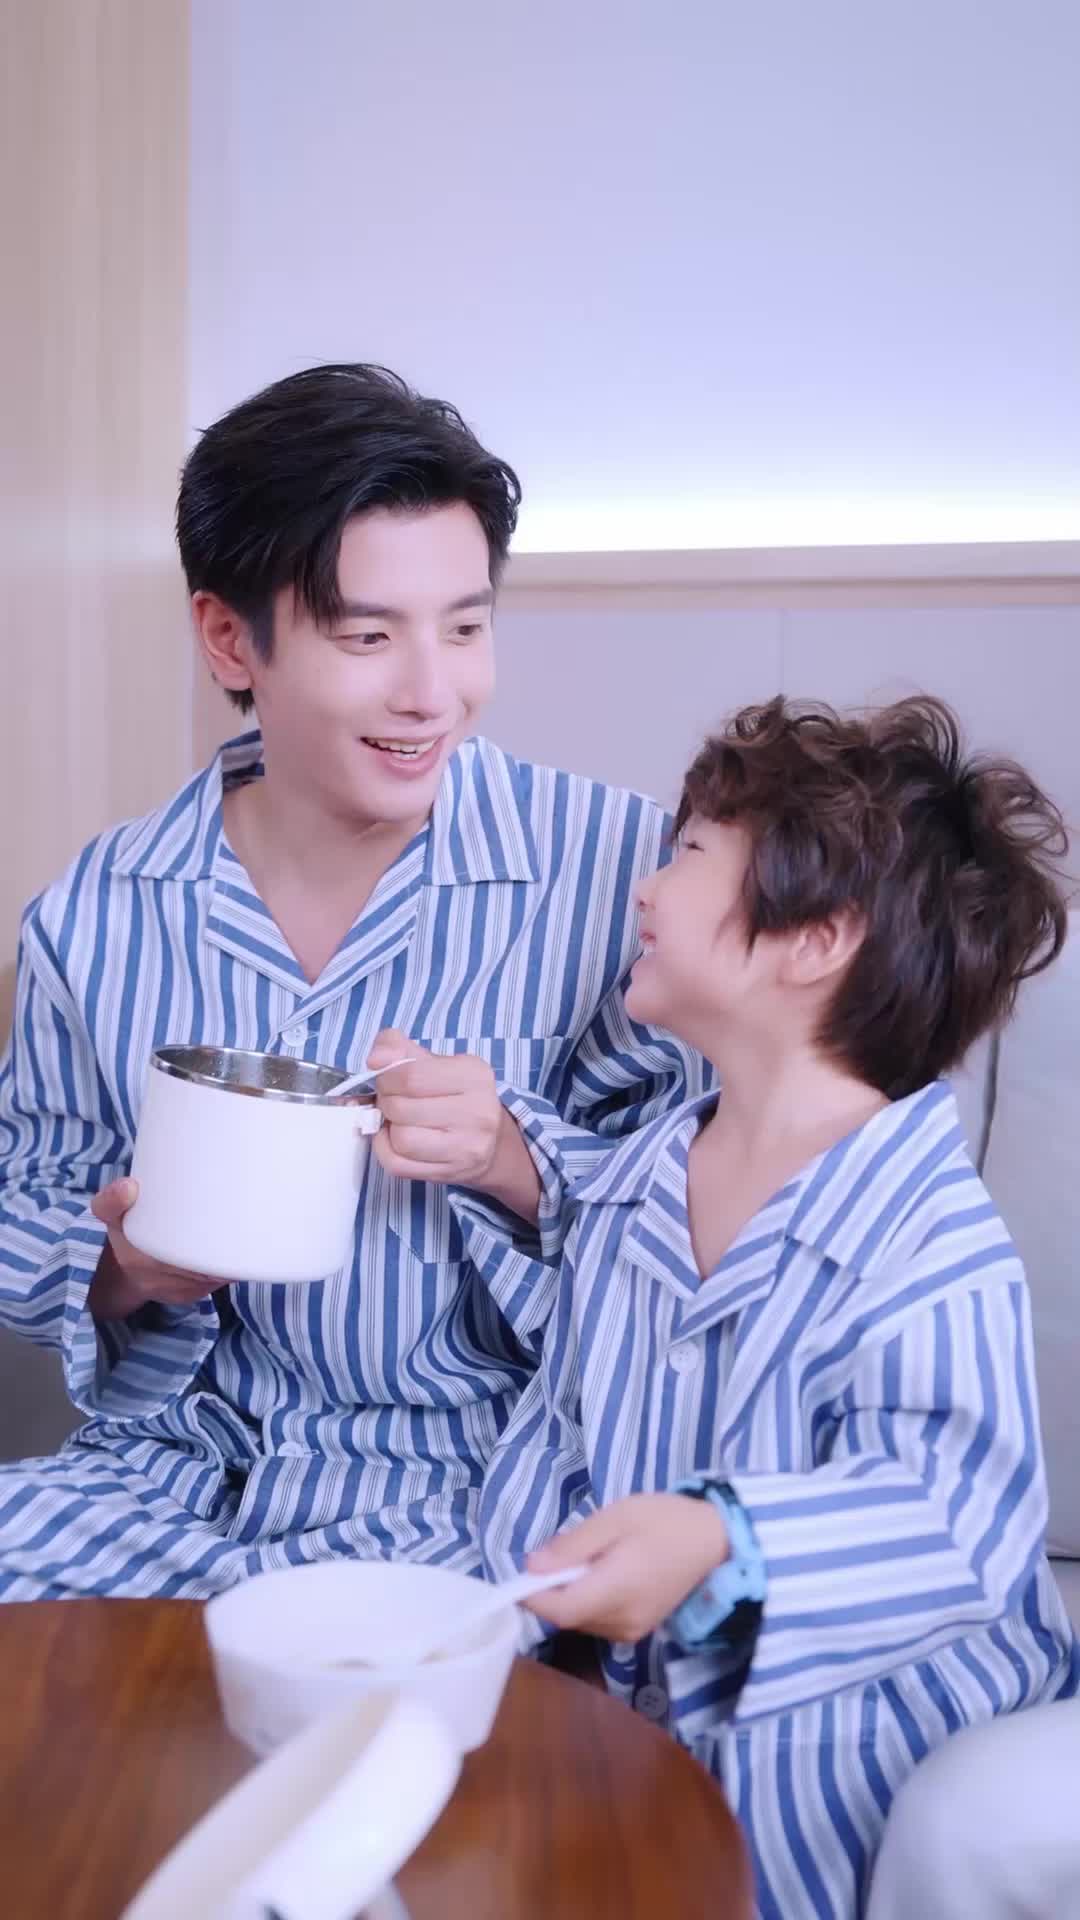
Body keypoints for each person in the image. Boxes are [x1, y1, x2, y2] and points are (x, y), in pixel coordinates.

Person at [0, 363, 704, 1599]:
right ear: (231, 637)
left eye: (466, 628)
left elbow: (721, 1225)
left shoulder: (624, 877)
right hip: (162, 1478)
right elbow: (28, 1200)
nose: (432, 694)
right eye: (368, 636)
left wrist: (512, 1158)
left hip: (478, 1491)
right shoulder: (97, 911)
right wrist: (127, 1268)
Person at [476, 695, 1080, 1920]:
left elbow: (957, 1517)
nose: (645, 889)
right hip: (635, 1725)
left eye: (689, 853)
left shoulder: (929, 1237)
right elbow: (558, 1434)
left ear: (815, 939)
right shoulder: (638, 1189)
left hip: (863, 1752)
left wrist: (722, 1544)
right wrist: (508, 1604)